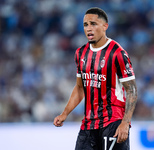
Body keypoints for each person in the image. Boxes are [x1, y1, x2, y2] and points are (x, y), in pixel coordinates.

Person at [53, 7, 137, 150]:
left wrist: (125, 123)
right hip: (88, 125)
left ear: (105, 26)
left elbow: (132, 90)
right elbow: (80, 87)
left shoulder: (117, 53)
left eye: (93, 24)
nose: (89, 28)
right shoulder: (81, 53)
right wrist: (65, 113)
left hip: (113, 122)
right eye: (85, 25)